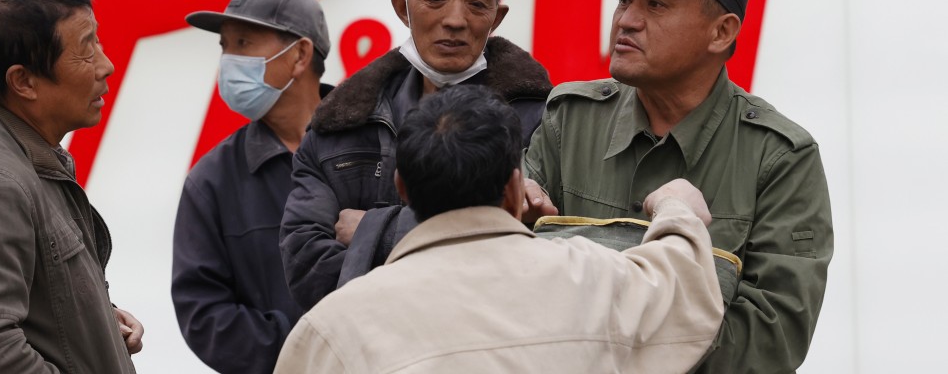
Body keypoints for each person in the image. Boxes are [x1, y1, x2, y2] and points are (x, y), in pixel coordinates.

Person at [524, 0, 833, 373]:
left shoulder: (780, 157)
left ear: (721, 32)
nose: (627, 21)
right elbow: (510, 282)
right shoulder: (569, 120)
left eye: (656, 4)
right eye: (624, 0)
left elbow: (770, 341)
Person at [275, 84, 724, 373]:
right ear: (514, 190)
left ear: (401, 189)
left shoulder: (330, 329)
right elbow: (682, 289)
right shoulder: (594, 278)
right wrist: (675, 209)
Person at [280, 0, 553, 310]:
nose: (455, 20)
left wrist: (376, 232)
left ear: (496, 17)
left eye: (477, 4)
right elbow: (306, 261)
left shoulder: (545, 122)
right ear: (402, 6)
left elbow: (552, 253)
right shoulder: (340, 126)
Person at [0, 0, 142, 372]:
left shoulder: (9, 139)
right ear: (23, 81)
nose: (106, 65)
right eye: (85, 51)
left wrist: (97, 321)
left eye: (97, 40)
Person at [171, 0, 332, 373]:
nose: (228, 61)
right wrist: (313, 351)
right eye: (224, 46)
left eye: (243, 43)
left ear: (300, 55)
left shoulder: (380, 147)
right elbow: (204, 315)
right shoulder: (211, 181)